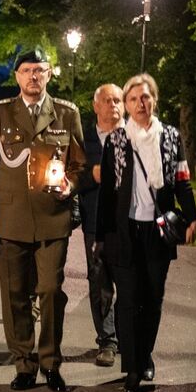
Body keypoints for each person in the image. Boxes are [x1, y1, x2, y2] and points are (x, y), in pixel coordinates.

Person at [0, 47, 87, 392]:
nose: (33, 76)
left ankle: (50, 363)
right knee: (15, 295)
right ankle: (24, 363)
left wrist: (70, 184)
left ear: (49, 74)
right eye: (26, 70)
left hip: (53, 217)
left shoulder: (66, 113)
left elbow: (79, 164)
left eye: (39, 70)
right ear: (17, 76)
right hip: (11, 219)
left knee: (50, 290)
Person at [96, 73, 196, 392]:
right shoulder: (117, 140)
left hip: (158, 230)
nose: (140, 103)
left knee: (152, 298)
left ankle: (145, 355)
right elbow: (107, 194)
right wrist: (101, 237)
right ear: (126, 105)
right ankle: (132, 366)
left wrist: (192, 216)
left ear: (154, 99)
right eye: (133, 98)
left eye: (145, 97)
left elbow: (182, 180)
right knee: (128, 300)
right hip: (124, 231)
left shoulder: (170, 136)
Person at [77, 84, 122, 367]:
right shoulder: (83, 139)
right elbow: (69, 178)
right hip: (95, 222)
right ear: (96, 106)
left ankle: (128, 337)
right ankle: (107, 341)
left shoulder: (136, 136)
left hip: (130, 222)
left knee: (130, 282)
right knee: (100, 282)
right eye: (107, 100)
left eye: (117, 100)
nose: (113, 105)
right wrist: (91, 176)